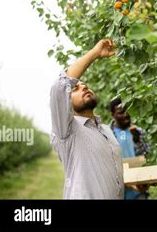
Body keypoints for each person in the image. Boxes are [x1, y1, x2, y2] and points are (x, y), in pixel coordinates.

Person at [50, 39, 124, 199]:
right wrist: (95, 53)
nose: (83, 87)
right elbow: (60, 86)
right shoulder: (67, 130)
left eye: (86, 86)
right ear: (65, 104)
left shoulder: (106, 130)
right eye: (76, 88)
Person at [109, 97, 152, 199]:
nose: (126, 115)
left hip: (138, 192)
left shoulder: (139, 132)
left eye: (127, 111)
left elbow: (148, 158)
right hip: (117, 192)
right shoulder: (107, 135)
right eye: (121, 113)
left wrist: (137, 141)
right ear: (113, 115)